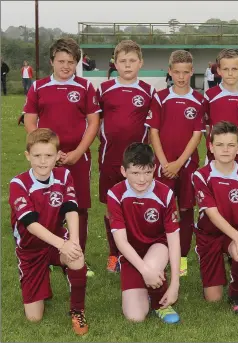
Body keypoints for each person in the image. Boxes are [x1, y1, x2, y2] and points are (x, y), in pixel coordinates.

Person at [23, 38, 101, 277]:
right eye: (61, 61)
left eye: (70, 62)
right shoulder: (38, 87)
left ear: (77, 63)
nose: (65, 66)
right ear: (51, 62)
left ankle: (78, 256)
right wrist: (45, 150)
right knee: (47, 205)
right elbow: (30, 119)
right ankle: (48, 255)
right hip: (48, 158)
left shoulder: (85, 87)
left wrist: (77, 152)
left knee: (78, 207)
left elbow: (93, 122)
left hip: (77, 156)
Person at [9, 128, 89, 335]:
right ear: (28, 156)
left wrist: (73, 241)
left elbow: (71, 209)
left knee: (77, 257)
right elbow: (30, 224)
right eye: (37, 155)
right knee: (34, 318)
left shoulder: (64, 175)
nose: (43, 161)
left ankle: (77, 310)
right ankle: (41, 278)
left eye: (48, 155)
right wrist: (63, 244)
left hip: (56, 239)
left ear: (57, 156)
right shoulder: (19, 184)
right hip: (30, 249)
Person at [98, 40, 156, 273]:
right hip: (110, 159)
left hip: (138, 163)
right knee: (112, 208)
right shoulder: (103, 89)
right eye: (122, 61)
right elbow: (94, 122)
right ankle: (114, 255)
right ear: (115, 63)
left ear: (140, 63)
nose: (128, 65)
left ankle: (137, 252)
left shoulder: (148, 91)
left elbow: (153, 129)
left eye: (132, 60)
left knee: (137, 205)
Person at [108, 142, 181, 323]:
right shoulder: (115, 194)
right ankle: (147, 286)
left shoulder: (165, 194)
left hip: (158, 248)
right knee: (135, 317)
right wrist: (144, 270)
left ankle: (159, 301)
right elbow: (121, 242)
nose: (142, 179)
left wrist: (175, 284)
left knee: (152, 265)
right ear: (124, 171)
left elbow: (173, 241)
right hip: (130, 254)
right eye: (135, 173)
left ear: (154, 169)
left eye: (147, 172)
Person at [147, 50, 204, 277]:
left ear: (192, 72)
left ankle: (181, 258)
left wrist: (179, 163)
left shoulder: (199, 100)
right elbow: (154, 132)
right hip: (163, 165)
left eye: (186, 72)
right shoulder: (160, 97)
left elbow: (197, 135)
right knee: (162, 209)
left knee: (186, 209)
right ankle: (160, 254)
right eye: (177, 72)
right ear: (170, 72)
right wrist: (163, 163)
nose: (181, 77)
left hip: (186, 165)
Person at [192, 121, 238, 313]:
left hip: (235, 230)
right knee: (213, 299)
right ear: (210, 147)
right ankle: (220, 262)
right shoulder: (201, 175)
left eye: (231, 145)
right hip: (208, 235)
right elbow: (212, 214)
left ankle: (236, 294)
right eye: (220, 145)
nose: (225, 150)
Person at [204, 49, 238, 171]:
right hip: (215, 155)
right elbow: (207, 128)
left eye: (234, 69)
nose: (230, 73)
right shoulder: (210, 96)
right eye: (225, 69)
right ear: (219, 70)